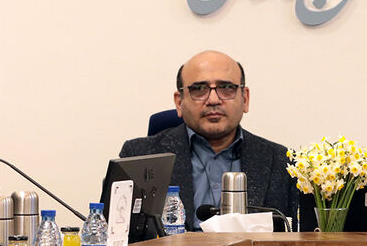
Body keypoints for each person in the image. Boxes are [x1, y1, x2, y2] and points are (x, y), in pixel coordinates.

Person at [111, 50, 301, 231]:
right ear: (179, 102)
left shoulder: (281, 162)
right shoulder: (138, 154)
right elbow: (116, 237)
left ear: (245, 98)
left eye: (226, 88)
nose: (213, 99)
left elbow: (296, 237)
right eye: (199, 89)